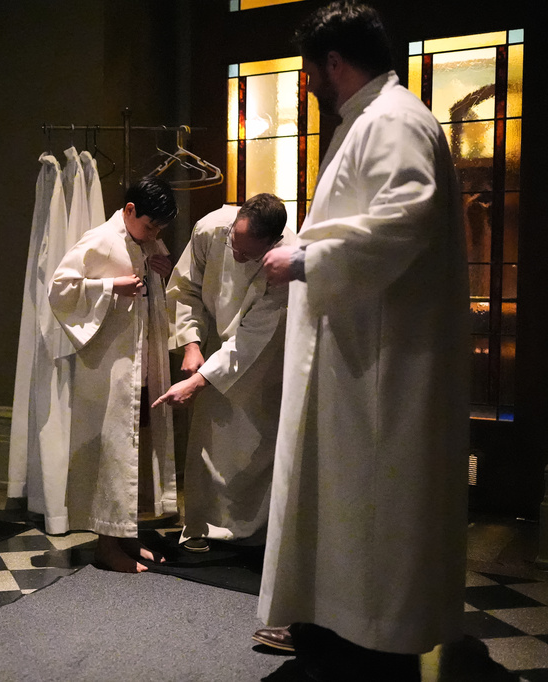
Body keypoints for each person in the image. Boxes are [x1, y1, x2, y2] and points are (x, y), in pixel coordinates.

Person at [254, 3, 469, 679]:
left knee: (368, 528)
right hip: (356, 358)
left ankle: (360, 650)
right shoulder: (372, 119)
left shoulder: (393, 120)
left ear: (334, 62)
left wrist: (309, 259)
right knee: (345, 526)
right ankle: (333, 635)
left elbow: (406, 218)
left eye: (309, 70)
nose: (308, 84)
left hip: (378, 370)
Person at [48, 176, 179, 573]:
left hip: (141, 361)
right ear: (129, 210)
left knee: (135, 450)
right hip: (110, 365)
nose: (154, 235)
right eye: (150, 226)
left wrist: (164, 270)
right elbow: (60, 289)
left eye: (159, 230)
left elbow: (157, 294)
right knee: (113, 451)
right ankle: (106, 547)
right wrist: (109, 287)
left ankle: (127, 534)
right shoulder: (101, 239)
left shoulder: (147, 242)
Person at [151, 193, 291, 553]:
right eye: (235, 246)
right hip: (214, 338)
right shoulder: (211, 228)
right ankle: (203, 526)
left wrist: (198, 381)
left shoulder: (287, 261)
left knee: (256, 442)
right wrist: (192, 343)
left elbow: (252, 336)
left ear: (272, 243)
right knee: (209, 438)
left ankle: (256, 535)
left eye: (249, 255)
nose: (238, 257)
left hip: (264, 355)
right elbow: (185, 288)